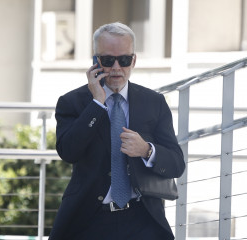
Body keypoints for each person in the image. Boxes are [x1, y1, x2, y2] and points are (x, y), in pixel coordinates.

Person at [49, 22, 185, 240]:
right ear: (95, 61)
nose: (116, 68)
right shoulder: (72, 102)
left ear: (133, 60)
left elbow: (176, 163)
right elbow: (68, 152)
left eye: (123, 60)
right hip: (90, 219)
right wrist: (97, 105)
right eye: (107, 60)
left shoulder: (154, 102)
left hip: (142, 218)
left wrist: (146, 150)